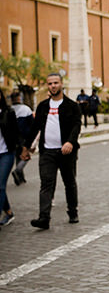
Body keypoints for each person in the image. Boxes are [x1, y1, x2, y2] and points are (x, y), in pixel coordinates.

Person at [24, 72, 82, 228]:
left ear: (61, 84)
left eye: (55, 83)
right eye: (50, 84)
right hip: (47, 152)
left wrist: (70, 142)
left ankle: (72, 211)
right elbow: (35, 127)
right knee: (46, 184)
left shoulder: (72, 106)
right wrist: (26, 147)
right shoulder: (43, 106)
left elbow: (77, 125)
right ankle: (44, 218)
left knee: (69, 183)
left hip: (66, 152)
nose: (53, 86)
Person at [0, 90, 20, 226]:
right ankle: (8, 212)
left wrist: (23, 148)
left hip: (6, 153)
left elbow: (15, 133)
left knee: (0, 186)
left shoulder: (8, 112)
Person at [10, 91, 34, 185]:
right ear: (20, 98)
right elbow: (32, 124)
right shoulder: (26, 109)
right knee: (25, 156)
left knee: (18, 156)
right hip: (24, 137)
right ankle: (17, 170)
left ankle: (21, 177)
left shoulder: (9, 109)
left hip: (13, 138)